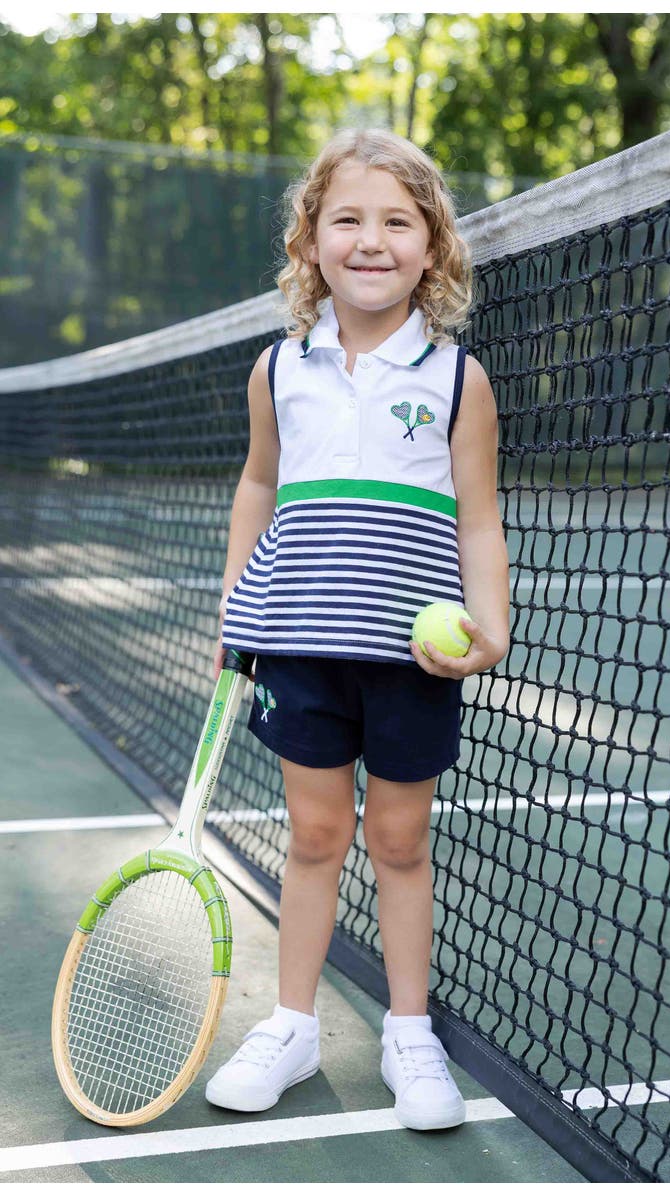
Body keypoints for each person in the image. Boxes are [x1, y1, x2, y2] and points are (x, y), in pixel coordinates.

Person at [205, 127, 510, 1132]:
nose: (371, 238)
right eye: (347, 218)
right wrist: (232, 601)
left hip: (411, 657)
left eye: (397, 220)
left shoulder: (459, 379)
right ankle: (292, 1023)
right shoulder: (277, 370)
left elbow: (477, 516)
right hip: (296, 640)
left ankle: (408, 1029)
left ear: (432, 247)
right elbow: (257, 483)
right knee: (316, 833)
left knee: (399, 837)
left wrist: (489, 625)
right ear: (309, 243)